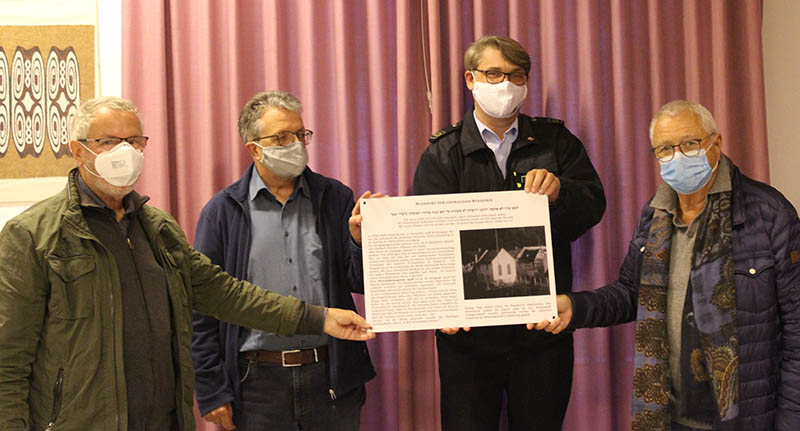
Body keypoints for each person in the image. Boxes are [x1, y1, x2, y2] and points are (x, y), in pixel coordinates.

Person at [0, 96, 374, 431]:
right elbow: (8, 363)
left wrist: (319, 318)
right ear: (78, 151)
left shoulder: (158, 230)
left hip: (163, 417)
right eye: (108, 141)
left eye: (134, 141)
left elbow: (226, 294)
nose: (124, 151)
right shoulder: (32, 236)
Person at [536, 100, 800, 430]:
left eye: (689, 143)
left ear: (715, 143)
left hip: (745, 417)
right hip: (670, 415)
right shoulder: (655, 215)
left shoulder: (768, 213)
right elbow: (632, 294)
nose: (678, 156)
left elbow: (796, 329)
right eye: (665, 149)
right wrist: (574, 307)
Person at [413, 35, 606, 430]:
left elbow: (592, 209)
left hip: (541, 335)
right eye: (494, 73)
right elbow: (426, 240)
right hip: (467, 340)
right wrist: (439, 307)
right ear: (470, 79)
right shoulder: (443, 153)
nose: (505, 85)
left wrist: (560, 193)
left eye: (515, 75)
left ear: (526, 82)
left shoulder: (557, 142)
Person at [191, 91, 380, 431]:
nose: (296, 144)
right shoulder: (222, 213)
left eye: (300, 134)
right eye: (282, 137)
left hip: (331, 376)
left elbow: (360, 283)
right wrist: (210, 388)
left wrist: (359, 242)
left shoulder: (335, 197)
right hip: (257, 384)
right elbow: (201, 307)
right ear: (254, 148)